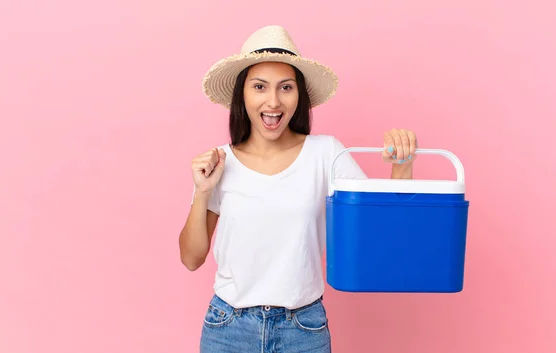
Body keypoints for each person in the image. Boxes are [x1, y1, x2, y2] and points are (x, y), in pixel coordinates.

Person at [179, 25, 418, 353]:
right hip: (228, 330)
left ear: (298, 95)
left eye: (285, 87)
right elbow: (191, 258)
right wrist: (203, 191)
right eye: (260, 86)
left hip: (303, 330)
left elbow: (380, 234)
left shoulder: (327, 154)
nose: (273, 101)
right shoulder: (221, 163)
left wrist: (402, 166)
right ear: (243, 94)